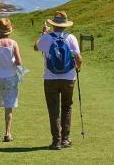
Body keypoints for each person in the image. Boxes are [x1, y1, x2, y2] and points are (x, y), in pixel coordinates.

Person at [34, 11, 82, 150]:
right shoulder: (71, 38)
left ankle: (56, 141)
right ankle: (65, 139)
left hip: (50, 78)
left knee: (53, 110)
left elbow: (36, 47)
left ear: (53, 25)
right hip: (68, 78)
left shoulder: (47, 38)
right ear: (65, 25)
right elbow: (79, 59)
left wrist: (43, 34)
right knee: (67, 107)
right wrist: (77, 68)